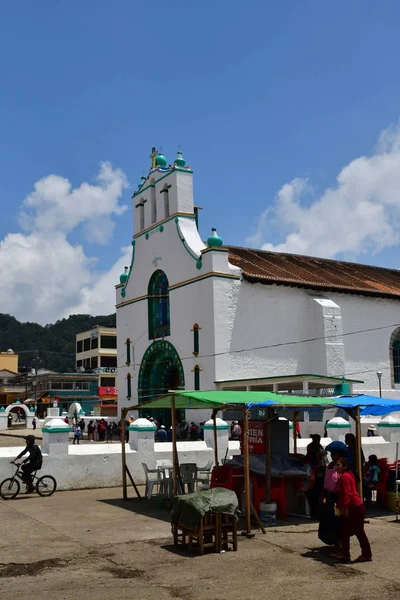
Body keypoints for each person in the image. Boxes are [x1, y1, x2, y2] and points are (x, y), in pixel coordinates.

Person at [333, 456, 372, 563]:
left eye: (338, 465)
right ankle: (345, 553)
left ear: (344, 466)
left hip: (354, 508)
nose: (336, 467)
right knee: (344, 531)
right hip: (353, 507)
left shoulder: (345, 476)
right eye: (336, 465)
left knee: (359, 532)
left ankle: (366, 554)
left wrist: (345, 508)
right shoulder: (349, 475)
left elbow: (347, 493)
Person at [318, 441, 349, 548]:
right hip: (329, 496)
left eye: (334, 454)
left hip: (338, 498)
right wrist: (324, 495)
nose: (332, 456)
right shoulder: (331, 465)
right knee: (328, 520)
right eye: (331, 454)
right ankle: (333, 542)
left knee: (338, 522)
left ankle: (340, 544)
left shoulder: (344, 468)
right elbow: (326, 482)